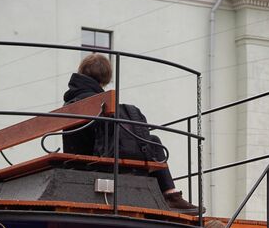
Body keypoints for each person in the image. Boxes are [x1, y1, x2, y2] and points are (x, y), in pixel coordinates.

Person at [61, 53, 199, 213]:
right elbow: (103, 137)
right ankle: (171, 194)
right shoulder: (98, 101)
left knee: (151, 140)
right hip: (91, 162)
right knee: (153, 140)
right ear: (105, 77)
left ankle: (171, 196)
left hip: (74, 160)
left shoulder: (72, 99)